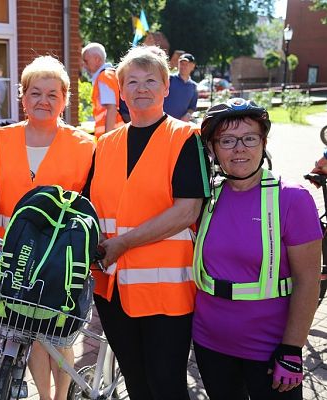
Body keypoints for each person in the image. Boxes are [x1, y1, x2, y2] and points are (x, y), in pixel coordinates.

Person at [86, 45, 210, 400]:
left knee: (166, 385)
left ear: (166, 88)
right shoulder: (105, 144)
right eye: (133, 82)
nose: (141, 89)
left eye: (151, 81)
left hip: (167, 292)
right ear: (121, 90)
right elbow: (91, 208)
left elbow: (187, 211)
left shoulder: (186, 139)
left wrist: (124, 243)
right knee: (137, 384)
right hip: (113, 291)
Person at [193, 98, 322, 400]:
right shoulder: (206, 198)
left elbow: (308, 281)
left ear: (263, 143)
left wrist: (292, 349)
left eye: (249, 138)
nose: (239, 148)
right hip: (210, 342)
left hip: (269, 348)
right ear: (212, 149)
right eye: (227, 140)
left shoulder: (292, 199)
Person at [0, 55, 95, 400]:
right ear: (22, 97)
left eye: (53, 94)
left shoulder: (84, 144)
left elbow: (90, 201)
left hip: (59, 255)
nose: (43, 101)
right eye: (35, 93)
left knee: (58, 331)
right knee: (31, 330)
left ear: (65, 99)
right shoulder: (1, 139)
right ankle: (46, 396)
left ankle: (62, 394)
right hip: (15, 252)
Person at [81, 42, 125, 138]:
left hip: (113, 136)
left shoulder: (104, 77)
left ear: (97, 59)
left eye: (86, 61)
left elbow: (111, 108)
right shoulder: (110, 74)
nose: (83, 65)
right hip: (118, 133)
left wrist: (107, 138)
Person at [163, 53, 198, 122]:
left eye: (186, 64)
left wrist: (188, 115)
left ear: (193, 66)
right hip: (163, 121)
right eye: (181, 63)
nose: (183, 66)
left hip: (180, 125)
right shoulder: (169, 79)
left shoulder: (193, 86)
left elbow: (192, 107)